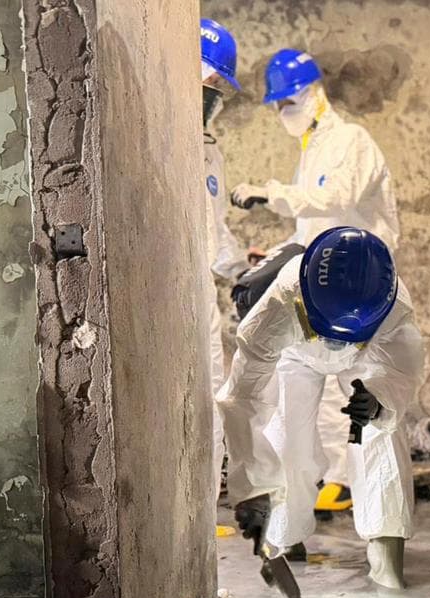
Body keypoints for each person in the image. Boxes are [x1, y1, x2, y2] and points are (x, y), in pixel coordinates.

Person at [230, 49, 401, 516]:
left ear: (313, 94)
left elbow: (337, 198)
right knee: (317, 374)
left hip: (365, 281)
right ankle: (335, 481)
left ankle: (368, 489)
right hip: (327, 283)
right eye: (278, 105)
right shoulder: (313, 148)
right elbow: (312, 226)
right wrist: (281, 251)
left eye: (287, 102)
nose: (282, 113)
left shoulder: (352, 141)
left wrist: (274, 192)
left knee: (360, 381)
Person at [220, 226, 423, 589]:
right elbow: (244, 401)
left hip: (365, 357)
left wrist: (379, 400)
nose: (334, 342)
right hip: (294, 355)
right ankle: (281, 537)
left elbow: (400, 374)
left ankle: (385, 548)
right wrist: (250, 490)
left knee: (380, 433)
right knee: (286, 436)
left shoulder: (394, 310)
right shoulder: (277, 308)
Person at [199, 19, 254, 500]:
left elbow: (213, 231)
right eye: (209, 85)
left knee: (212, 395)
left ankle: (202, 504)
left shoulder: (208, 152)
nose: (214, 96)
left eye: (219, 88)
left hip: (199, 301)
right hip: (162, 301)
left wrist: (243, 269)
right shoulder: (149, 141)